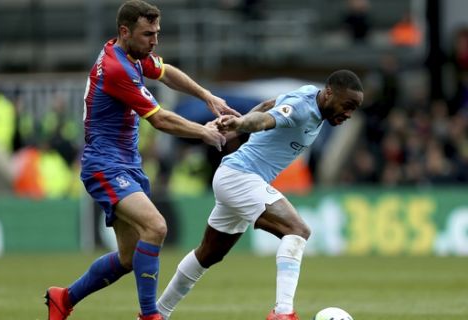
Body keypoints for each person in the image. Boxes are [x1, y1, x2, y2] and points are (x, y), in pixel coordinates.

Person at [44, 1, 240, 320]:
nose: (154, 41)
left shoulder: (131, 55)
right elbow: (160, 119)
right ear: (125, 31)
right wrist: (204, 132)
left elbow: (166, 73)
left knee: (128, 257)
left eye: (157, 33)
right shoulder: (117, 68)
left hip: (126, 164)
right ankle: (150, 315)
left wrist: (206, 95)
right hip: (105, 165)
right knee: (156, 226)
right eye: (148, 34)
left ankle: (63, 298)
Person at [156, 69, 364, 320]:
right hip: (240, 177)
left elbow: (268, 104)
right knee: (297, 231)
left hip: (237, 177)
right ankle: (283, 313)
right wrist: (242, 124)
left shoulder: (310, 93)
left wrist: (237, 126)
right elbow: (266, 119)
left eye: (354, 109)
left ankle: (156, 314)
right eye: (348, 105)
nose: (349, 114)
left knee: (208, 254)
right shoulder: (301, 108)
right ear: (330, 93)